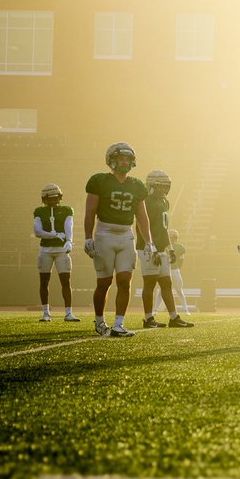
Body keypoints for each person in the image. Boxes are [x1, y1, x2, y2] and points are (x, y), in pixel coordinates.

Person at [83, 142, 153, 338]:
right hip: (104, 233)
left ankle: (119, 324)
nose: (124, 162)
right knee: (104, 282)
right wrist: (88, 237)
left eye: (127, 159)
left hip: (126, 235)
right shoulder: (99, 181)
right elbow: (90, 212)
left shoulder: (137, 185)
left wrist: (149, 241)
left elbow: (142, 216)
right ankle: (99, 321)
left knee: (124, 281)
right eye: (121, 158)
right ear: (112, 160)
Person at [138, 170, 193, 329]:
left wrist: (170, 248)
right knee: (150, 283)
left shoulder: (164, 201)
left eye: (165, 186)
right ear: (152, 185)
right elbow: (142, 225)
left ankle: (174, 317)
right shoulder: (146, 201)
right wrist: (151, 246)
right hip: (148, 247)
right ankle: (148, 318)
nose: (164, 189)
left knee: (166, 283)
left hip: (162, 248)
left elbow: (164, 229)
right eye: (160, 186)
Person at [33, 182, 78, 323]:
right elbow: (37, 231)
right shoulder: (39, 211)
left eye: (55, 197)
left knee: (66, 281)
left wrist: (69, 240)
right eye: (50, 198)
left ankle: (69, 313)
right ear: (45, 198)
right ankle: (46, 313)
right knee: (44, 281)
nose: (53, 200)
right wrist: (53, 235)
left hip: (61, 250)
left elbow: (69, 226)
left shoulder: (66, 210)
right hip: (45, 250)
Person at [153, 229, 191, 316]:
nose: (171, 238)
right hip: (165, 270)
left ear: (176, 237)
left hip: (175, 270)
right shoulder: (164, 246)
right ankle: (155, 310)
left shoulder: (180, 247)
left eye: (172, 236)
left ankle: (186, 309)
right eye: (170, 236)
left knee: (179, 290)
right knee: (161, 290)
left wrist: (178, 269)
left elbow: (182, 259)